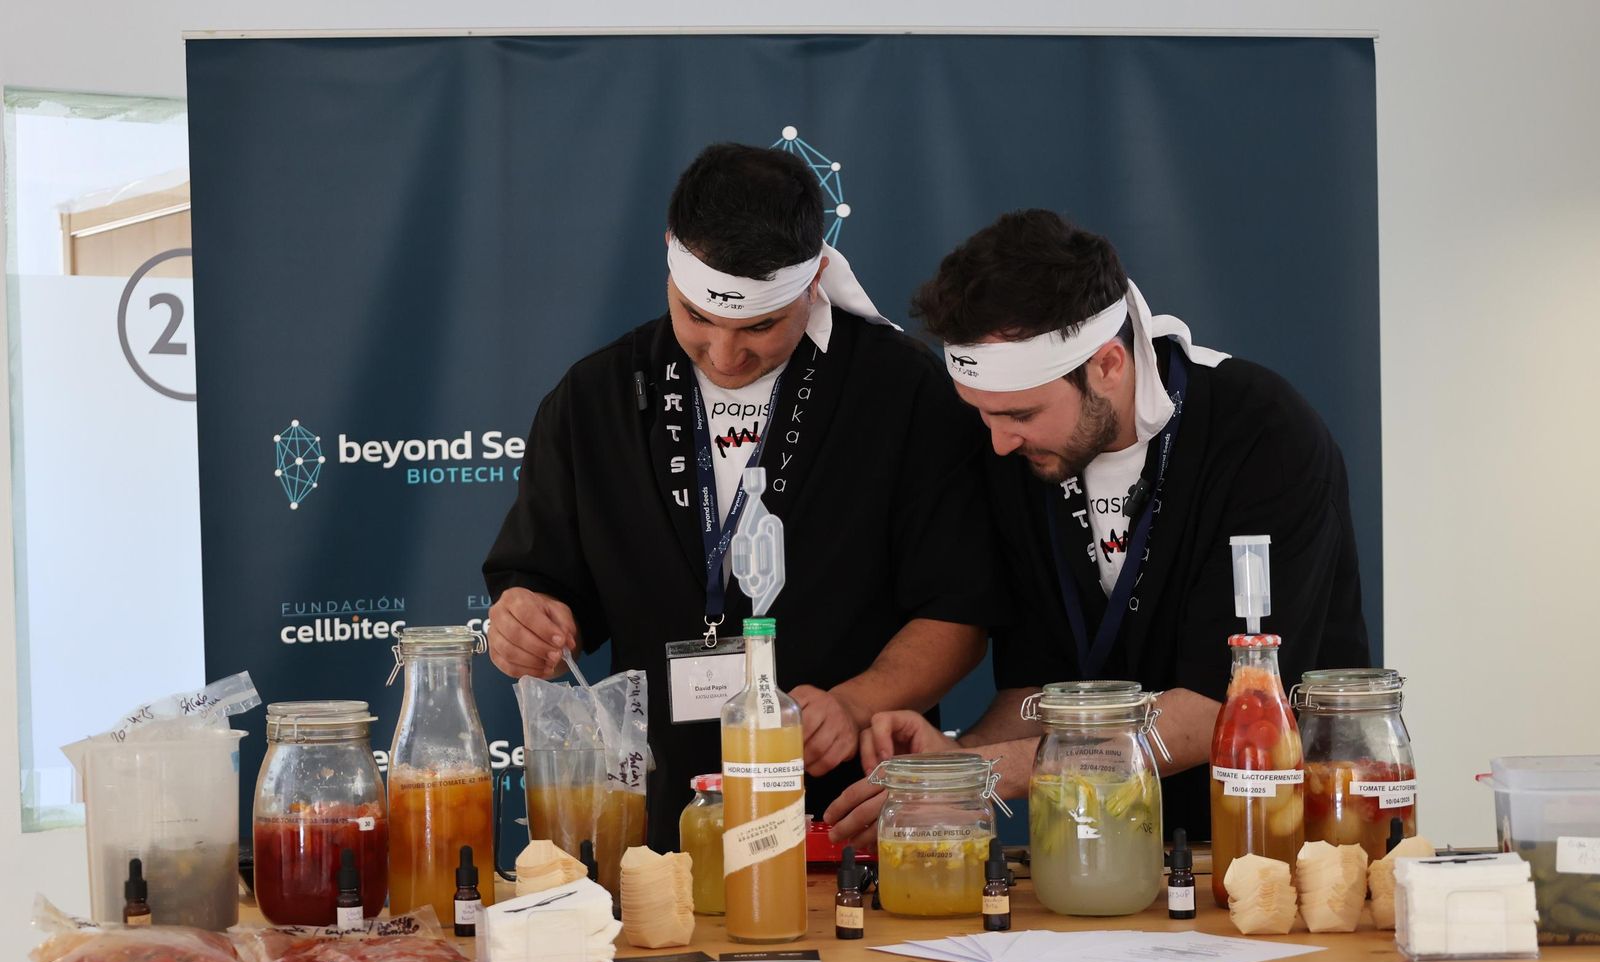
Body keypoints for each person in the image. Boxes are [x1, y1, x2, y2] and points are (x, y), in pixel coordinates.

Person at [483, 143, 999, 849]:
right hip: (665, 824)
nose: (725, 356)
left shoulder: (906, 394)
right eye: (697, 317)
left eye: (759, 326)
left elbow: (962, 612)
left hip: (856, 816)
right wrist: (523, 622)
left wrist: (857, 702)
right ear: (670, 255)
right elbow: (540, 583)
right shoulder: (596, 397)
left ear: (816, 277)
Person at [826, 209, 1369, 844]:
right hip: (1101, 853)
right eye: (982, 414)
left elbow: (1229, 705)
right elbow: (1038, 687)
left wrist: (990, 770)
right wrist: (957, 757)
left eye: (1021, 413)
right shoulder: (1015, 457)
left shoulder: (1262, 434)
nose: (999, 442)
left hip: (1277, 841)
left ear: (1108, 365)